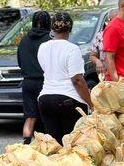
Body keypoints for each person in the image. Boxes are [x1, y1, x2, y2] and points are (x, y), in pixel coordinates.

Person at [37, 12, 93, 144]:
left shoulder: (42, 47)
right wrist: (90, 103)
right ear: (70, 29)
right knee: (71, 146)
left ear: (52, 28)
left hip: (45, 99)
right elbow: (77, 80)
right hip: (68, 101)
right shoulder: (72, 49)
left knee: (55, 146)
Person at [17, 11, 51, 145]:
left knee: (30, 117)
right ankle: (47, 145)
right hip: (44, 83)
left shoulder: (24, 40)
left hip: (28, 82)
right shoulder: (49, 41)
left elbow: (20, 61)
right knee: (46, 117)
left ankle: (25, 145)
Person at [90, 9, 118, 74]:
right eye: (114, 21)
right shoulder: (100, 36)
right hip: (106, 77)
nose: (117, 24)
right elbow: (92, 56)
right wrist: (98, 61)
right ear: (107, 22)